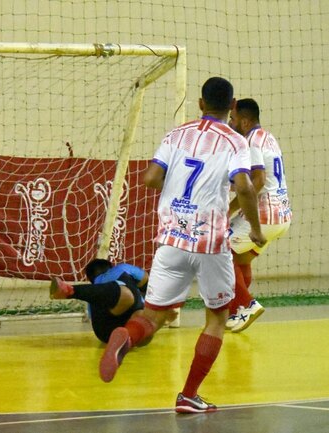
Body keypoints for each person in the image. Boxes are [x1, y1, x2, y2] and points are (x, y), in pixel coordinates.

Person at [99, 77, 266, 413]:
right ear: (231, 106)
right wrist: (256, 230)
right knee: (217, 318)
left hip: (172, 239)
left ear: (201, 104)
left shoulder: (176, 134)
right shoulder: (235, 141)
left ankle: (127, 337)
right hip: (210, 243)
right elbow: (245, 188)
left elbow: (150, 179)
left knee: (152, 316)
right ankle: (188, 394)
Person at [226, 98, 292, 332]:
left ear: (244, 121)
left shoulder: (251, 141)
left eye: (233, 119)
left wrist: (230, 209)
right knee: (241, 259)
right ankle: (236, 314)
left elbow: (259, 180)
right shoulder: (268, 137)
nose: (230, 123)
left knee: (220, 251)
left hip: (265, 215)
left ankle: (246, 304)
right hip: (282, 216)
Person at [50, 258, 165, 344]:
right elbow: (146, 279)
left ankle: (129, 337)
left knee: (141, 315)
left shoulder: (94, 292)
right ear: (110, 267)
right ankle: (71, 291)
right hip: (125, 309)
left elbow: (94, 317)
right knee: (134, 304)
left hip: (104, 333)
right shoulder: (121, 268)